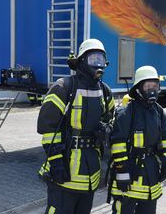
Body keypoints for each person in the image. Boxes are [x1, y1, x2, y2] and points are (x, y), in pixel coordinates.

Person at [37, 39, 115, 214]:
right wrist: (56, 163)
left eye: (101, 60)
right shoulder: (63, 87)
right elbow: (48, 128)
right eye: (93, 59)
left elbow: (111, 120)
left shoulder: (105, 91)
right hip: (65, 170)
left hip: (90, 172)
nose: (98, 65)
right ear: (81, 61)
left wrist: (106, 130)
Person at [108, 65, 166, 214]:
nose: (152, 90)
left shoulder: (159, 111)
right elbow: (117, 143)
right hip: (130, 174)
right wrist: (122, 172)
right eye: (148, 85)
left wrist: (165, 160)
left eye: (155, 86)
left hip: (151, 174)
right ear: (138, 88)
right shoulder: (126, 112)